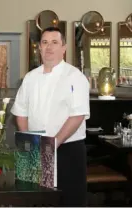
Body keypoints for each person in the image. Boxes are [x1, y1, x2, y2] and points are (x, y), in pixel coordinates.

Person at [11, 27, 90, 206]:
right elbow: (20, 113)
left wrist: (53, 143)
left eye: (55, 42)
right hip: (35, 151)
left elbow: (77, 116)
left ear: (64, 47)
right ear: (39, 47)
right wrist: (29, 142)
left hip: (67, 151)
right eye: (45, 42)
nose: (49, 47)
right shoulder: (30, 78)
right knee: (37, 200)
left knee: (69, 201)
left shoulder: (75, 77)